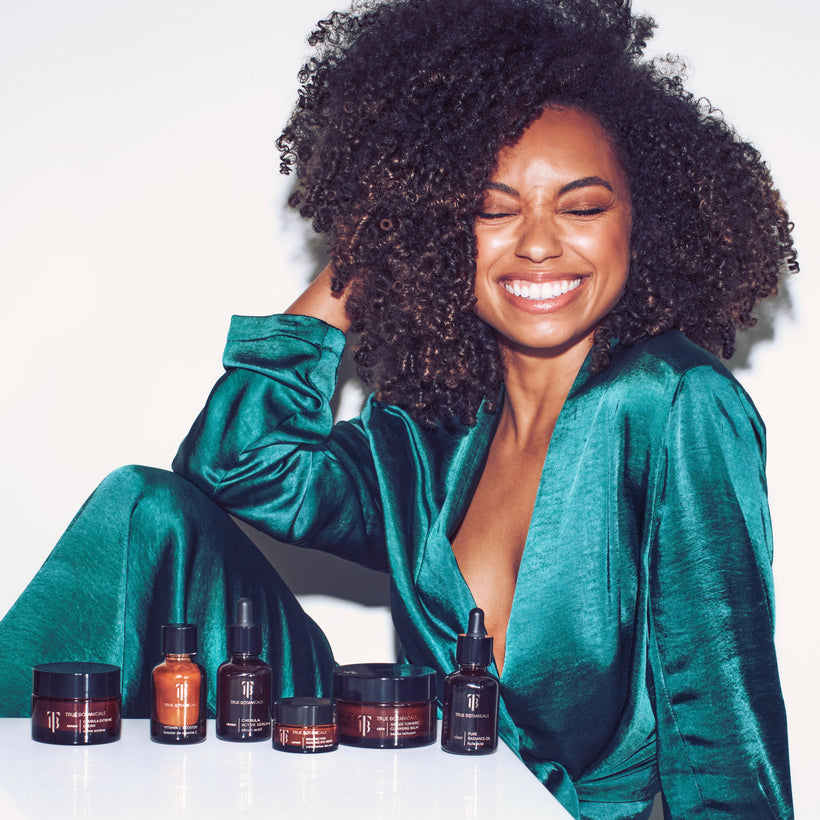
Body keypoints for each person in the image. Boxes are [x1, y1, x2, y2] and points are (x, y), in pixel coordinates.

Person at [0, 0, 795, 817]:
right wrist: (368, 253)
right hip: (396, 776)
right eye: (491, 210)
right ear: (443, 231)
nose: (537, 243)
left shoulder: (675, 405)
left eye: (583, 206)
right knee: (147, 513)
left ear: (645, 221)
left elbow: (721, 732)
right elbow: (239, 463)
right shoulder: (427, 429)